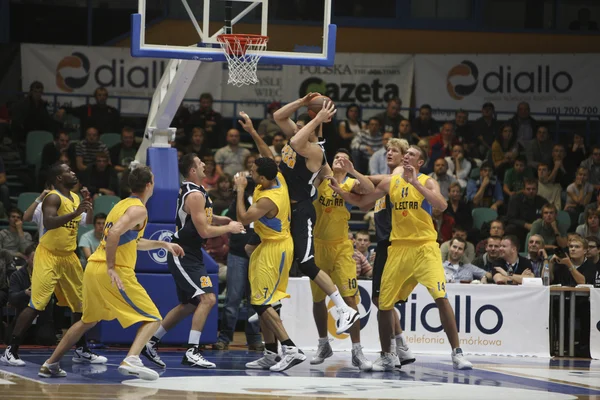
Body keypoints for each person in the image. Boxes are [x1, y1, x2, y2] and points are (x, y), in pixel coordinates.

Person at [331, 145, 472, 371]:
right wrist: (340, 190)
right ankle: (387, 355)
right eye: (405, 154)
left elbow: (442, 205)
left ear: (420, 163)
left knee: (440, 297)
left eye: (412, 155)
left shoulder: (426, 181)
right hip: (398, 248)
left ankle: (457, 353)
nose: (406, 156)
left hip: (425, 247)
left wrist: (415, 182)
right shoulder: (390, 182)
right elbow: (362, 203)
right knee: (384, 304)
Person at [37, 166, 185, 381]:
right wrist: (111, 267)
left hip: (93, 269)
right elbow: (115, 233)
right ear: (149, 185)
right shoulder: (138, 209)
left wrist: (163, 243)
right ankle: (132, 359)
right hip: (113, 272)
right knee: (153, 318)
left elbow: (131, 241)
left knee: (87, 321)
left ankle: (51, 363)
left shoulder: (122, 204)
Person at [247, 98, 359, 333]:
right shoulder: (300, 138)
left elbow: (297, 140)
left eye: (300, 126)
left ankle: (344, 309)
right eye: (296, 126)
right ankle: (270, 303)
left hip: (302, 211)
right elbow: (278, 116)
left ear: (311, 131)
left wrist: (318, 120)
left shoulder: (314, 151)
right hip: (287, 209)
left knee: (306, 263)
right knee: (274, 255)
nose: (295, 129)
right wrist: (304, 101)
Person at [141, 154, 244, 369]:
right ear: (192, 170)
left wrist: (220, 219)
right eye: (200, 163)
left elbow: (201, 218)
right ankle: (192, 351)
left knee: (188, 305)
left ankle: (151, 343)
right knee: (207, 299)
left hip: (192, 252)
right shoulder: (195, 195)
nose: (205, 164)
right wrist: (229, 228)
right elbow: (204, 230)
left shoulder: (197, 191)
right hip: (183, 253)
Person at [1, 163, 97, 367]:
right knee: (38, 303)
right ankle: (11, 350)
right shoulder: (52, 197)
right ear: (59, 179)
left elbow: (86, 222)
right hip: (49, 255)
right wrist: (75, 212)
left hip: (69, 256)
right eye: (68, 171)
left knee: (81, 303)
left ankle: (81, 349)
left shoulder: (75, 198)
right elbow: (50, 221)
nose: (73, 173)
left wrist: (87, 204)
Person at [347, 137, 415, 368]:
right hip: (385, 244)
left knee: (382, 299)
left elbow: (390, 179)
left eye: (394, 150)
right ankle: (400, 347)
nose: (388, 153)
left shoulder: (398, 175)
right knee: (381, 299)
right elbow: (364, 204)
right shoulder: (385, 184)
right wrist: (349, 189)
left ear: (404, 156)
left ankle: (394, 351)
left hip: (394, 243)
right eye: (387, 150)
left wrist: (356, 175)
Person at [234, 157, 305, 371]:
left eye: (254, 172)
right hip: (266, 245)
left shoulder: (268, 198)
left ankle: (291, 349)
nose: (250, 174)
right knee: (264, 302)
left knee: (262, 302)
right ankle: (271, 353)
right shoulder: (278, 178)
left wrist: (240, 190)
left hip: (276, 249)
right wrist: (252, 132)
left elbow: (244, 219)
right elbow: (266, 155)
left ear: (264, 178)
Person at [309, 149, 374, 370]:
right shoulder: (320, 179)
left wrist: (352, 170)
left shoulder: (349, 184)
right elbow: (316, 157)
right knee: (318, 300)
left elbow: (369, 189)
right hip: (318, 246)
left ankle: (357, 351)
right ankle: (323, 344)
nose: (339, 159)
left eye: (343, 158)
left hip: (342, 248)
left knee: (350, 299)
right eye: (336, 157)